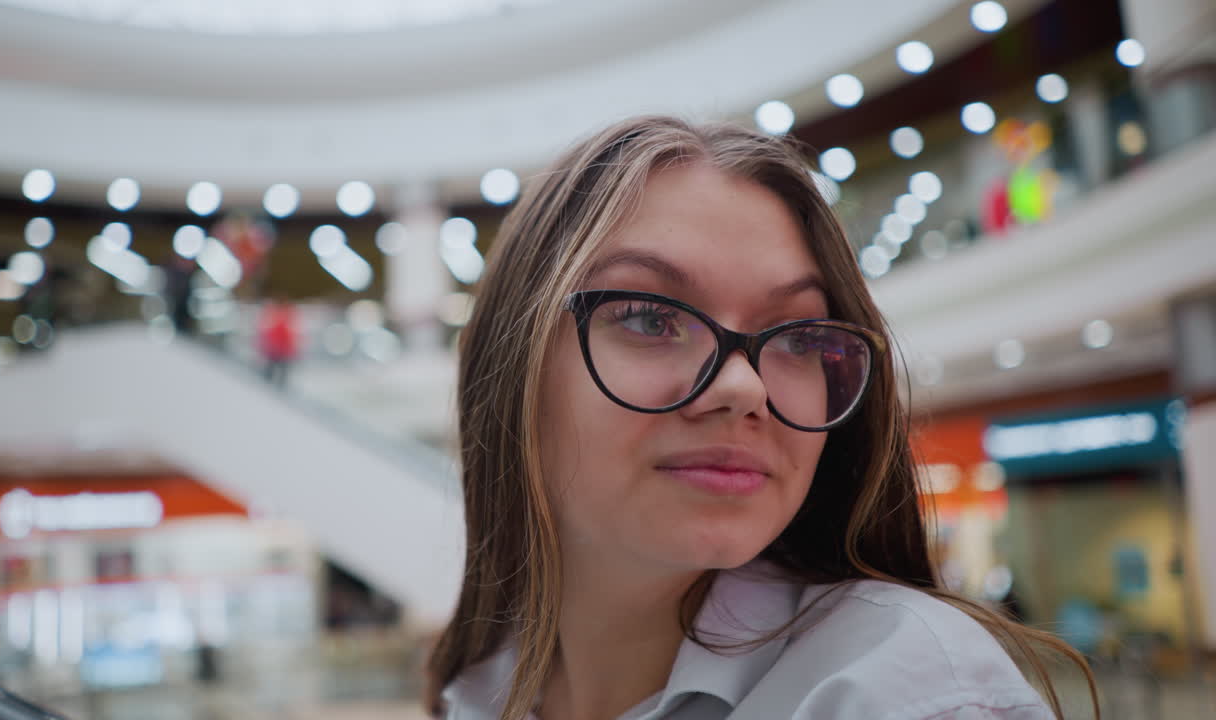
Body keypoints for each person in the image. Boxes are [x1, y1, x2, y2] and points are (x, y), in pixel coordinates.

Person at [426, 116, 1097, 720]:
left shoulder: (900, 693)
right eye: (648, 317)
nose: (744, 387)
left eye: (801, 336)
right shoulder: (479, 690)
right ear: (509, 370)